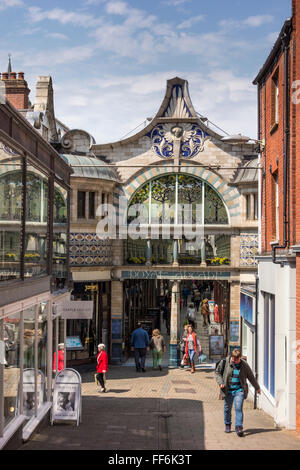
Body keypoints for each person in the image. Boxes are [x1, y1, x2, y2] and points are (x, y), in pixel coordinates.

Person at [215, 349, 261, 437]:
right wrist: (221, 383)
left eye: (236, 360)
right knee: (227, 409)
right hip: (228, 390)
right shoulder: (225, 362)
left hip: (239, 390)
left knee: (238, 408)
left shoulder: (244, 365)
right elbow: (217, 373)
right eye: (233, 359)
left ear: (240, 358)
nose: (234, 361)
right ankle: (227, 424)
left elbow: (251, 377)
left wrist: (257, 388)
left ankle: (239, 427)